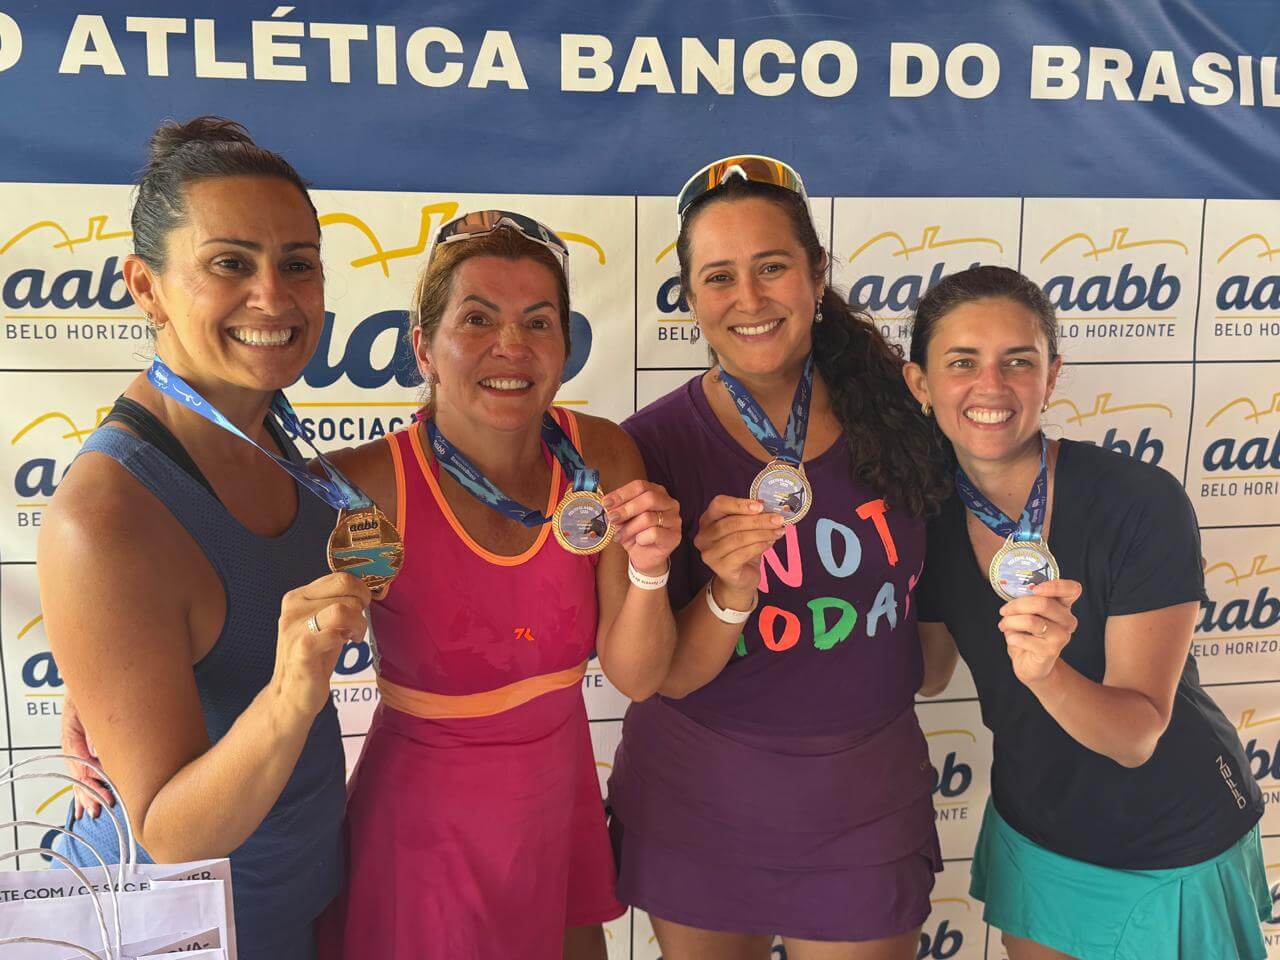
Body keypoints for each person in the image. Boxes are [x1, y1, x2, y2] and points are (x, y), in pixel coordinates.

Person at [606, 156, 952, 960]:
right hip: (698, 805)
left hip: (864, 807)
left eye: (772, 267)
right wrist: (728, 588)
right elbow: (664, 677)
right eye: (719, 277)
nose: (750, 299)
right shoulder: (648, 446)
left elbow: (942, 622)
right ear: (691, 296)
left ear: (817, 273)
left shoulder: (904, 414)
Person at [39, 117, 368, 960]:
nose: (274, 296)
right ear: (145, 287)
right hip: (183, 932)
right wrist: (291, 691)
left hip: (302, 898)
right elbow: (169, 833)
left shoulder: (271, 432)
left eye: (298, 263)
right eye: (230, 263)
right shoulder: (104, 516)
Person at [316, 210, 681, 960]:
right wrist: (104, 704)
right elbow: (249, 612)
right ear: (424, 346)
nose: (511, 346)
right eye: (477, 319)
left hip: (557, 807)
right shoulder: (370, 486)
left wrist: (651, 567)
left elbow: (638, 676)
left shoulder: (600, 456)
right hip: (423, 830)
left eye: (537, 322)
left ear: (565, 348)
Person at [904, 265, 1271, 960]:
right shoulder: (926, 515)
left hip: (1171, 836)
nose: (991, 385)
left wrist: (1047, 674)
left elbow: (1136, 736)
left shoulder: (1139, 500)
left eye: (1019, 361)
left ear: (1052, 376)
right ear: (920, 383)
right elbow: (927, 672)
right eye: (962, 363)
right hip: (1037, 828)